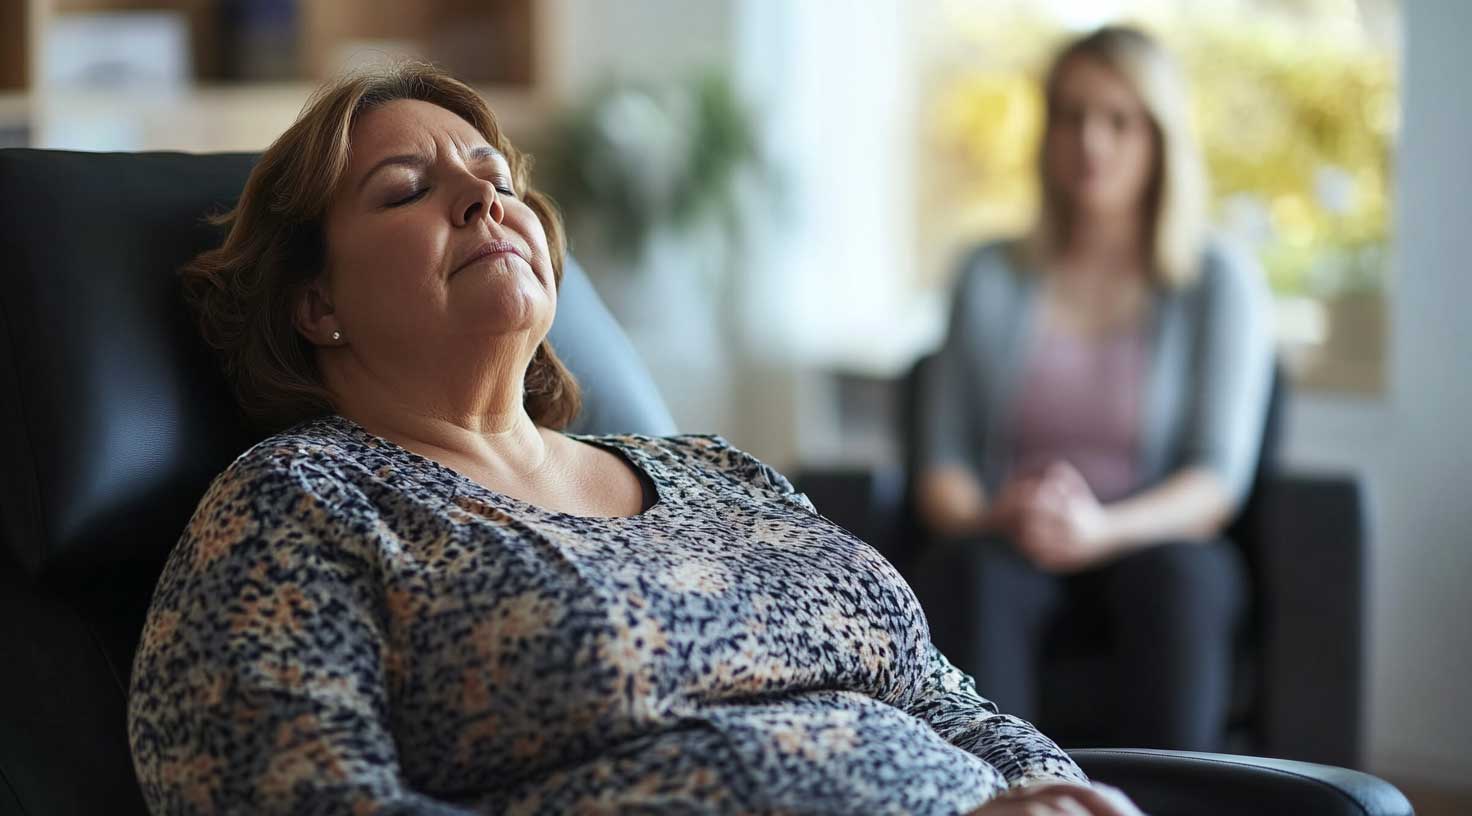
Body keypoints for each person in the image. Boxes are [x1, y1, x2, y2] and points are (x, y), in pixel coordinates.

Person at [124, 62, 1141, 815]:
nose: (484, 198)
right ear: (315, 303)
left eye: (497, 180)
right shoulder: (301, 503)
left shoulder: (716, 469)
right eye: (406, 191)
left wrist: (1062, 792)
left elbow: (936, 697)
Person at [913, 25, 1274, 752]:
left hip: (1150, 537)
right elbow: (941, 467)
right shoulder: (987, 273)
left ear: (1161, 140)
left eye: (1120, 120)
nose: (1092, 142)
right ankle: (998, 794)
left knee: (1184, 579)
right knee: (971, 574)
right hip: (1012, 539)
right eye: (1071, 116)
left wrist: (1101, 531)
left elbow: (1215, 482)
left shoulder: (1218, 283)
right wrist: (996, 515)